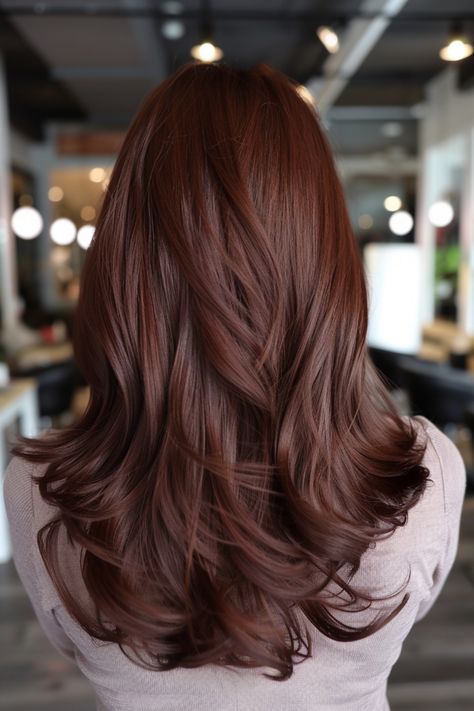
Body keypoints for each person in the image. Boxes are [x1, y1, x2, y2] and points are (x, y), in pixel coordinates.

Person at [4, 62, 466, 711]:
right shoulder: (427, 473)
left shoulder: (39, 486)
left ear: (125, 255)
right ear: (324, 252)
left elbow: (71, 643)